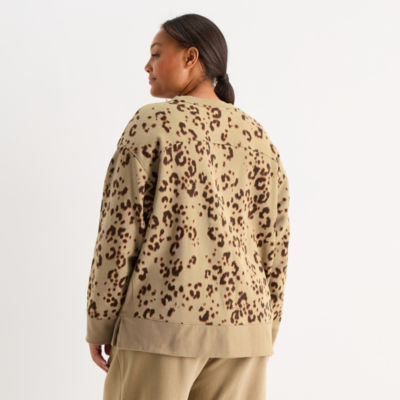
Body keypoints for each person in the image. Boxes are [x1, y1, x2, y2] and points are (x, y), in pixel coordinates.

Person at [85, 13, 291, 400]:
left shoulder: (152, 124)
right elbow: (274, 243)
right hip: (245, 332)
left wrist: (101, 321)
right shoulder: (257, 136)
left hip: (162, 326)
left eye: (156, 53)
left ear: (191, 57)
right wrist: (265, 329)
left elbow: (119, 231)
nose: (147, 66)